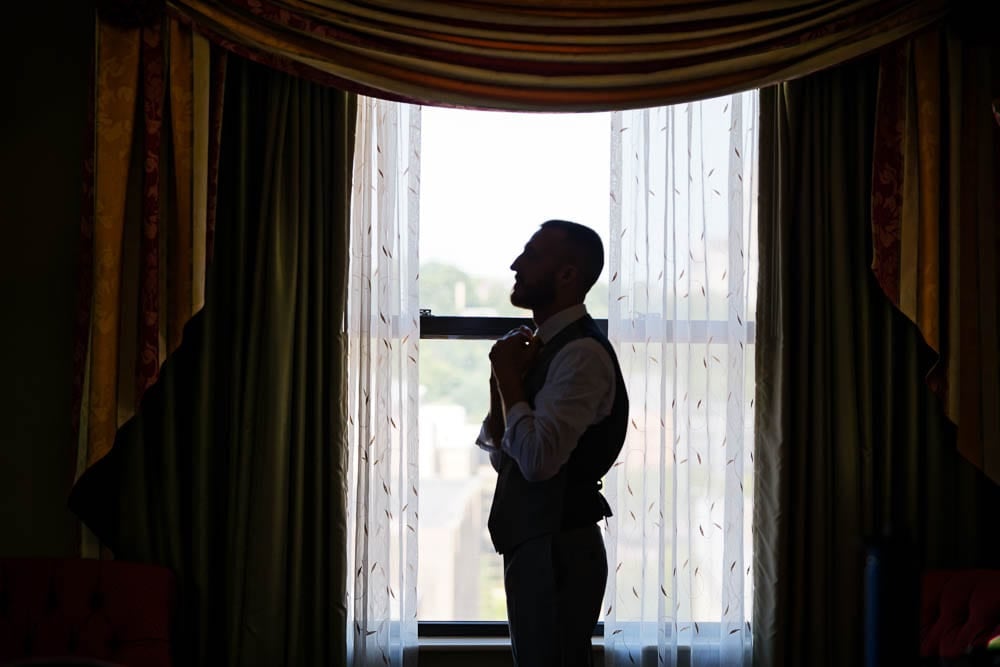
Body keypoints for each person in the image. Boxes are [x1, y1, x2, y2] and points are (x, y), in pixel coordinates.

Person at [476, 219, 629, 666]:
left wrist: (507, 376)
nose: (516, 265)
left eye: (532, 255)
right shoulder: (542, 348)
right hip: (537, 547)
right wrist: (501, 386)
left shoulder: (581, 354)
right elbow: (507, 458)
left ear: (567, 274)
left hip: (558, 551)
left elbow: (539, 462)